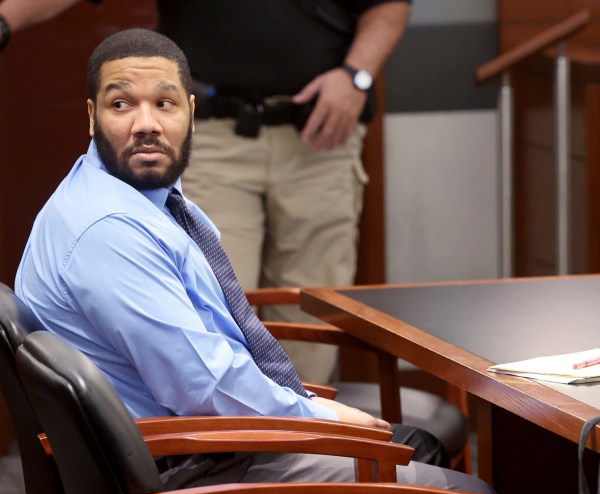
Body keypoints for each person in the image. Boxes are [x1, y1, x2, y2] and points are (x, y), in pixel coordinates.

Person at [15, 29, 501, 494]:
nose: (145, 122)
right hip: (181, 471)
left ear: (190, 113)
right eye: (122, 104)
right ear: (92, 117)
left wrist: (305, 410)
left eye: (164, 103)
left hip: (167, 452)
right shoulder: (108, 231)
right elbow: (202, 384)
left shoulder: (137, 202)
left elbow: (207, 355)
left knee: (415, 446)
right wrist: (313, 419)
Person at [0, 0, 410, 384]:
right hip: (214, 138)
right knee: (210, 309)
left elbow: (388, 4)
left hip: (321, 139)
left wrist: (358, 75)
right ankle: (235, 452)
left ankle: (308, 442)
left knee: (313, 313)